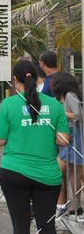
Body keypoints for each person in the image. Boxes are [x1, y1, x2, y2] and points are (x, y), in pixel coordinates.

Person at [0, 59, 70, 234]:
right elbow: (63, 141)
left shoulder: (8, 104)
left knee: (20, 225)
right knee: (47, 229)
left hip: (14, 172)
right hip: (47, 175)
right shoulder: (54, 106)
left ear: (14, 81)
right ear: (38, 79)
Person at [50, 71, 84, 217]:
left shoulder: (70, 95)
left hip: (74, 135)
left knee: (62, 169)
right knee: (73, 172)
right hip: (67, 135)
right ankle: (75, 205)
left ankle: (70, 204)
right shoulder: (61, 97)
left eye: (55, 82)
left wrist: (59, 112)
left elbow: (78, 114)